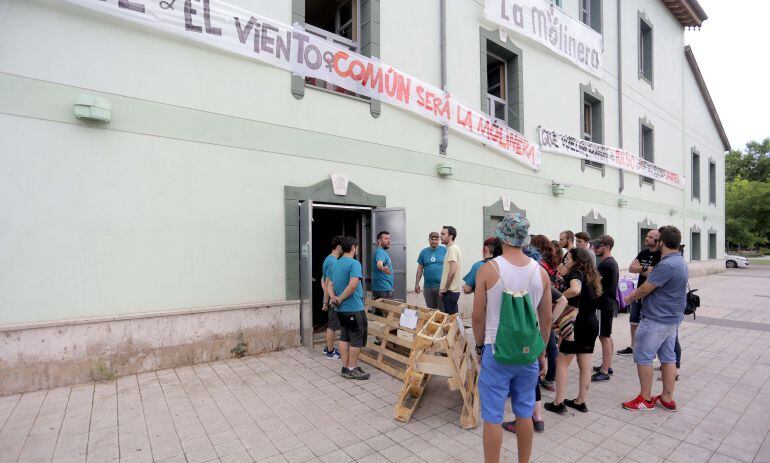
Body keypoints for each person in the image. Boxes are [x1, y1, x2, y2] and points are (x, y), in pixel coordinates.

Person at [472, 213, 552, 463]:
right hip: (528, 351)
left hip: (496, 349)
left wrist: (478, 346)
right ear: (525, 239)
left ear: (502, 237)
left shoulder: (488, 269)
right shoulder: (541, 273)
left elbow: (477, 317)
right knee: (524, 413)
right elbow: (546, 319)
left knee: (493, 417)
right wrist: (542, 352)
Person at [622, 226, 687, 411]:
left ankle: (645, 399)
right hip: (671, 319)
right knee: (668, 357)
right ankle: (667, 399)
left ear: (662, 243)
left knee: (643, 356)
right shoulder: (680, 261)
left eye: (656, 239)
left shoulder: (666, 265)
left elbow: (645, 288)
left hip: (657, 319)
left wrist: (628, 298)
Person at [545, 247, 602, 414]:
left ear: (577, 261)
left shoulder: (576, 273)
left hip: (575, 325)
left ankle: (558, 403)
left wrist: (561, 296)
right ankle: (580, 401)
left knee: (561, 362)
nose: (565, 261)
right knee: (585, 364)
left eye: (568, 258)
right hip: (591, 323)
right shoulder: (592, 276)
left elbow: (575, 289)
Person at [329, 237, 370, 380]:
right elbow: (353, 286)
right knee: (356, 339)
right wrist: (339, 299)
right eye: (357, 247)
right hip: (354, 308)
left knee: (344, 337)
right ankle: (352, 368)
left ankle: (345, 367)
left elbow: (330, 284)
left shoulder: (336, 264)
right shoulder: (354, 264)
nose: (357, 250)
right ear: (353, 248)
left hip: (341, 310)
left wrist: (334, 298)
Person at [617, 229, 661, 356]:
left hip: (652, 295)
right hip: (639, 292)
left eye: (650, 237)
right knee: (633, 320)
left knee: (649, 323)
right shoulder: (643, 253)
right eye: (646, 236)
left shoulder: (660, 255)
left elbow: (654, 274)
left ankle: (650, 350)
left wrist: (641, 269)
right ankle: (633, 346)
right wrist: (646, 268)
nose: (646, 238)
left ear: (657, 240)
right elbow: (631, 268)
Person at [591, 235, 619, 382]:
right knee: (606, 335)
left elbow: (596, 286)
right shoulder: (611, 262)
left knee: (604, 337)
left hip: (603, 304)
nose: (596, 248)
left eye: (599, 246)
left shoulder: (605, 264)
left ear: (607, 247)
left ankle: (604, 371)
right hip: (607, 304)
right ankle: (607, 365)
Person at [321, 236, 344, 360]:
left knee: (332, 325)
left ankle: (328, 348)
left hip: (330, 298)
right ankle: (330, 352)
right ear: (339, 247)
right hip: (333, 299)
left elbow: (322, 280)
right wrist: (326, 301)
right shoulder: (333, 262)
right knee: (332, 326)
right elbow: (328, 283)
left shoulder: (328, 259)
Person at [415, 232, 446, 310]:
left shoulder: (444, 250)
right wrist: (417, 283)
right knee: (431, 311)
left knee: (443, 311)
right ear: (429, 240)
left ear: (439, 240)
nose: (434, 241)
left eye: (436, 239)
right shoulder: (424, 252)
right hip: (428, 287)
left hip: (441, 287)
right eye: (432, 239)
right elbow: (420, 268)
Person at [439, 226, 463, 315]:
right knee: (453, 320)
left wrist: (445, 288)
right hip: (450, 291)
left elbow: (453, 270)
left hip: (450, 291)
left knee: (452, 322)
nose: (440, 236)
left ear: (450, 236)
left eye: (443, 234)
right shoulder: (451, 248)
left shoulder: (452, 249)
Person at [372, 231, 394, 300]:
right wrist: (383, 268)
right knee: (387, 311)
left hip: (383, 289)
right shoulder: (380, 252)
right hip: (383, 290)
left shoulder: (381, 252)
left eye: (389, 239)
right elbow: (379, 264)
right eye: (386, 239)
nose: (389, 241)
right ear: (379, 241)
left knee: (380, 311)